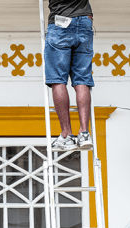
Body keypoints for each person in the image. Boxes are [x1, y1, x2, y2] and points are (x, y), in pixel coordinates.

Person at [45, 0, 94, 151]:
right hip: (85, 21)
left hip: (61, 22)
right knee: (82, 80)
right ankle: (84, 133)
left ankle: (66, 135)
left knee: (58, 79)